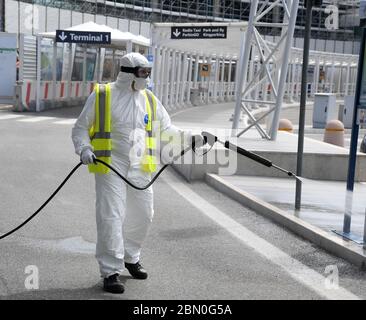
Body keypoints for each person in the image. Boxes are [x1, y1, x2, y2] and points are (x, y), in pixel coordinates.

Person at [72, 52, 203, 294]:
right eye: (143, 72)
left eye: (148, 72)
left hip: (141, 166)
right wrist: (84, 149)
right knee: (111, 215)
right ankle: (111, 271)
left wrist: (191, 137)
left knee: (144, 214)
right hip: (110, 165)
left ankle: (131, 257)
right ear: (128, 72)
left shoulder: (150, 99)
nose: (147, 77)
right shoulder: (102, 95)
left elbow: (167, 129)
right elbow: (80, 128)